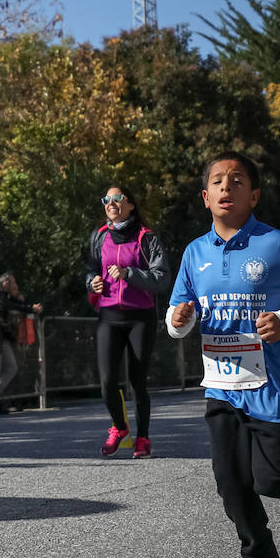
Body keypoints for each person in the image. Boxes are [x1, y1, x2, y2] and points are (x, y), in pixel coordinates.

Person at [166, 152, 280, 558]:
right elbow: (176, 316)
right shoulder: (194, 253)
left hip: (274, 387)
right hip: (222, 386)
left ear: (253, 194)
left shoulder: (278, 243)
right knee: (231, 480)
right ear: (205, 197)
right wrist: (179, 321)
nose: (227, 187)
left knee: (272, 479)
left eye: (237, 180)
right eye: (218, 181)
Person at [84, 184, 170, 458]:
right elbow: (89, 270)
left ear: (130, 204)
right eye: (106, 199)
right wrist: (92, 282)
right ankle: (119, 428)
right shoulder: (99, 237)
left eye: (117, 198)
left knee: (137, 381)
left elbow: (162, 278)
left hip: (140, 317)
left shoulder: (147, 238)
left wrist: (129, 274)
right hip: (109, 315)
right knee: (107, 381)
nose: (111, 203)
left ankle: (142, 438)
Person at [0, 271, 42, 414]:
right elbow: (9, 305)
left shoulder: (6, 296)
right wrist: (30, 308)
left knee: (11, 367)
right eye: (13, 282)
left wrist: (30, 307)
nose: (15, 285)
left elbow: (16, 303)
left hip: (3, 339)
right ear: (6, 283)